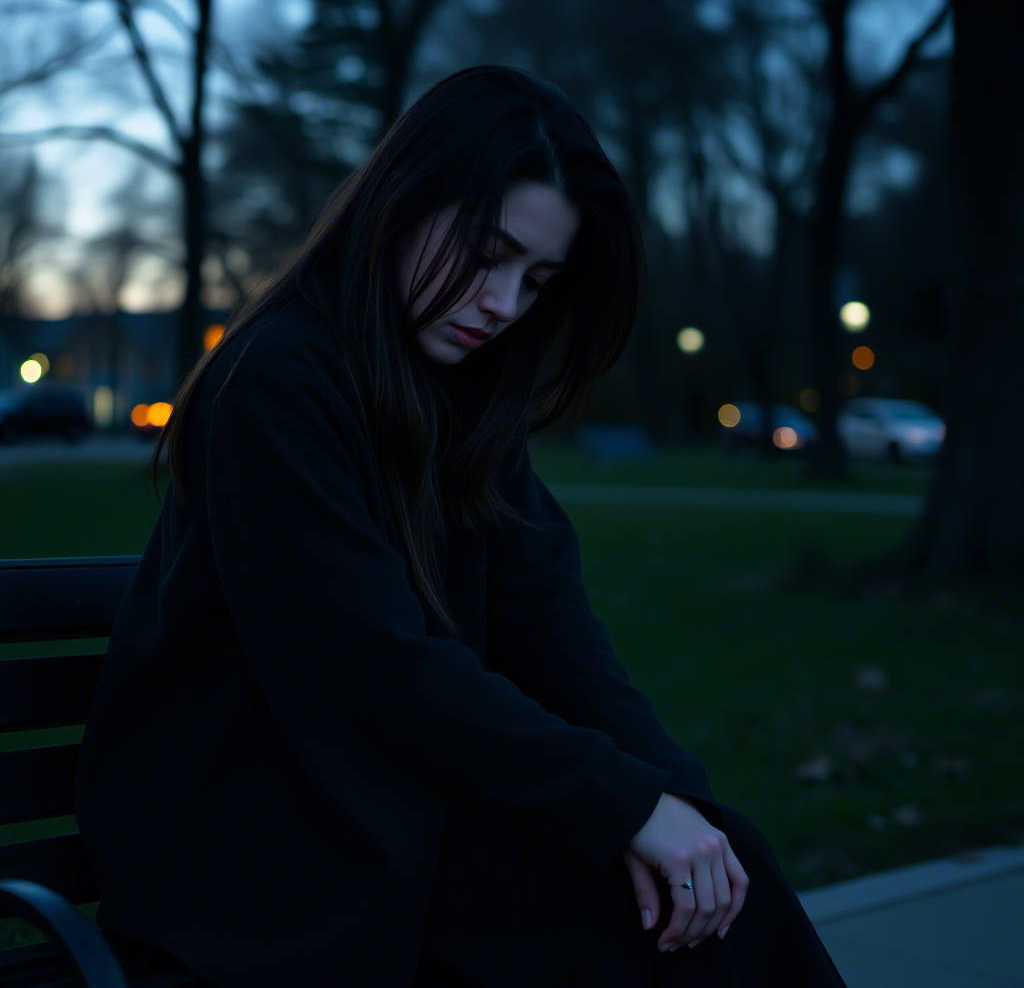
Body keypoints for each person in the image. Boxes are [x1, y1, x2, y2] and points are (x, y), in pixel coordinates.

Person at [74, 65, 847, 987]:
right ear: (402, 200)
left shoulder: (465, 403)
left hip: (395, 800)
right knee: (649, 928)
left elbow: (554, 637)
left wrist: (673, 800)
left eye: (535, 279)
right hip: (260, 836)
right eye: (486, 255)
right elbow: (374, 663)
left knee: (723, 875)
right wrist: (621, 806)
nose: (504, 303)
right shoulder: (275, 382)